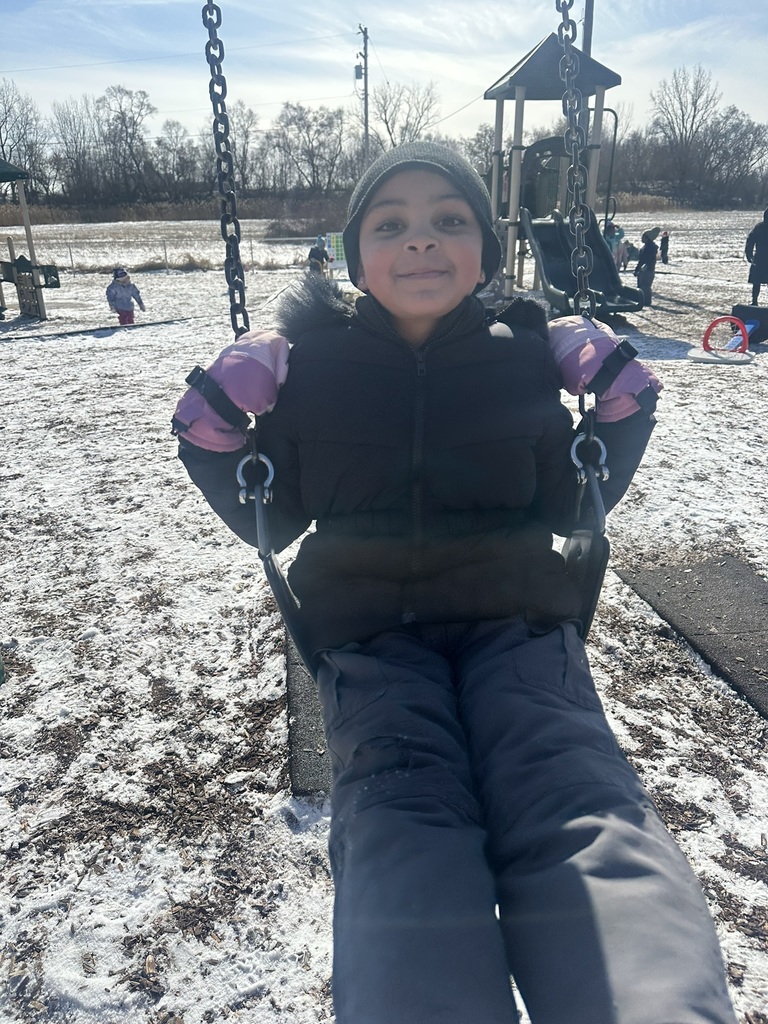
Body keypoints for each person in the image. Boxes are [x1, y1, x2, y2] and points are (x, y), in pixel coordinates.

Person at [172, 142, 737, 1024]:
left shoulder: (525, 358)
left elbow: (564, 499)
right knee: (402, 819)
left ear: (486, 246)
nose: (422, 241)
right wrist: (211, 434)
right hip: (372, 641)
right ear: (357, 253)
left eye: (450, 220)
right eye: (391, 224)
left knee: (577, 795)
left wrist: (623, 410)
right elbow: (272, 516)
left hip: (519, 623)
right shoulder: (310, 368)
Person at [745, 209, 768, 305]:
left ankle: (754, 301)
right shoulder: (759, 227)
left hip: (759, 258)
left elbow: (750, 240)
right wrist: (749, 254)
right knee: (756, 281)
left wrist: (749, 254)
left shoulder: (758, 227)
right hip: (760, 258)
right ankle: (754, 301)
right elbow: (750, 240)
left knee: (756, 282)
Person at [634, 227, 660, 306]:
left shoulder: (647, 248)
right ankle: (645, 301)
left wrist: (638, 269)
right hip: (649, 270)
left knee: (644, 286)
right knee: (645, 286)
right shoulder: (652, 247)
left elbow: (642, 260)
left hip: (645, 270)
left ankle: (645, 301)